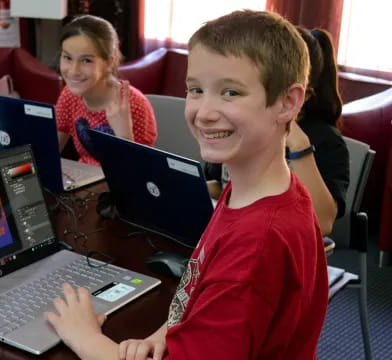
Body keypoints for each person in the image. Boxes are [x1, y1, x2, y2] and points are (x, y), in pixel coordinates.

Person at [44, 10, 329, 360]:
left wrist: (85, 337)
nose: (204, 111)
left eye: (230, 92)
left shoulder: (257, 245)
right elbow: (201, 284)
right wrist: (170, 331)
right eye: (195, 90)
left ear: (287, 103)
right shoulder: (258, 189)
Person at [205, 26, 349, 236]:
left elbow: (322, 223)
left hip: (278, 244)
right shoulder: (238, 123)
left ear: (299, 96)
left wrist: (298, 145)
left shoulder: (327, 142)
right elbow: (222, 185)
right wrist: (187, 188)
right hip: (231, 234)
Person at [55, 14, 157, 165]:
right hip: (84, 181)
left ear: (109, 63)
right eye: (67, 58)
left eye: (86, 60)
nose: (73, 71)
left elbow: (139, 176)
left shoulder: (134, 105)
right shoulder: (69, 95)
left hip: (121, 185)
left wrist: (124, 135)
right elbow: (49, 152)